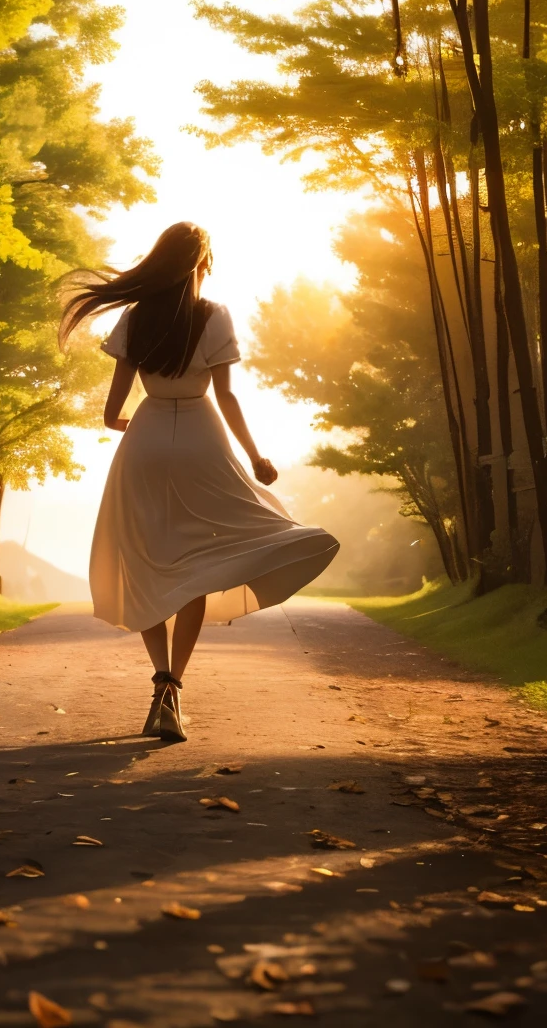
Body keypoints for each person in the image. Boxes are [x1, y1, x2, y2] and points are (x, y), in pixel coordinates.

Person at [61, 221, 339, 742]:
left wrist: (140, 424)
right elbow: (228, 397)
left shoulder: (135, 317)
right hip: (202, 438)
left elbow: (111, 412)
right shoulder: (214, 316)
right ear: (201, 264)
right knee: (194, 563)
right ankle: (173, 690)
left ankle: (159, 675)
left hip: (144, 443)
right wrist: (256, 455)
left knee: (145, 560)